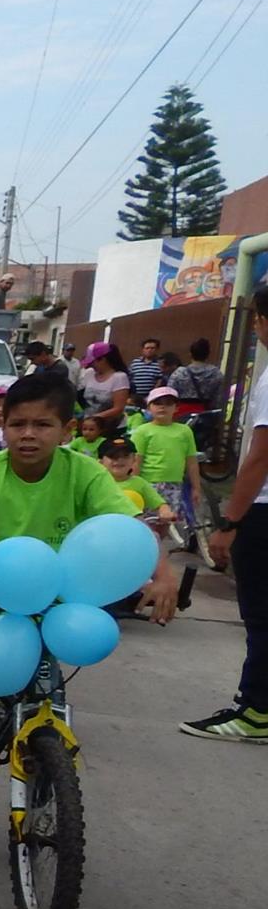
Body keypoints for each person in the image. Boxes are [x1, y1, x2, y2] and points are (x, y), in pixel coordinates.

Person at [0, 372, 179, 823]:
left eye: (43, 425)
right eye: (17, 424)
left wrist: (163, 574)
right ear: (3, 427)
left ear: (67, 430)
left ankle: (46, 759)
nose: (28, 434)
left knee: (47, 685)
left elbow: (130, 530)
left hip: (57, 598)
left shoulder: (84, 471)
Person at [187, 288, 268, 742]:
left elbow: (260, 457)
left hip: (263, 510)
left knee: (261, 617)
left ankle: (255, 710)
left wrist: (230, 523)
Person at [131, 387, 206, 534]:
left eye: (168, 403)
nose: (162, 406)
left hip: (174, 484)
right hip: (148, 484)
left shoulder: (184, 431)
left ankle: (158, 550)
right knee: (146, 523)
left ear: (176, 408)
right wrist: (134, 485)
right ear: (149, 407)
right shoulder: (142, 431)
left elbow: (191, 461)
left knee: (165, 523)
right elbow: (136, 461)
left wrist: (196, 487)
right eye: (157, 403)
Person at [78, 343, 132, 433]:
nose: (91, 365)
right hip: (89, 426)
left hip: (110, 427)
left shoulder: (119, 377)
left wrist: (95, 418)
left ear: (103, 359)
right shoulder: (89, 373)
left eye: (92, 362)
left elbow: (118, 408)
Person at [171, 338, 226, 415]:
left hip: (181, 412)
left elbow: (170, 394)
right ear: (208, 354)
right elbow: (219, 398)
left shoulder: (180, 372)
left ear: (190, 353)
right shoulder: (216, 373)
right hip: (205, 413)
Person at [127, 337, 164, 403]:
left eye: (152, 348)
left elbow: (160, 381)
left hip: (151, 397)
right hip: (134, 396)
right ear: (143, 350)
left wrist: (152, 395)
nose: (149, 350)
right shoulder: (135, 362)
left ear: (157, 350)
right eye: (147, 348)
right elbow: (129, 377)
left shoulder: (160, 363)